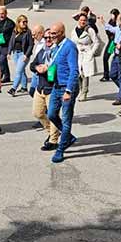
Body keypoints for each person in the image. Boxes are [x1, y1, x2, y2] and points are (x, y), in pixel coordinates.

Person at [44, 22, 79, 163]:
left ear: (62, 33)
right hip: (56, 87)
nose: (51, 36)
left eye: (54, 33)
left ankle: (61, 149)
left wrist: (69, 91)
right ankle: (68, 137)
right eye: (51, 33)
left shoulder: (70, 47)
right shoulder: (56, 47)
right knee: (51, 114)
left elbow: (74, 71)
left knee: (66, 119)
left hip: (67, 89)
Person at [29, 27, 61, 151]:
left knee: (52, 115)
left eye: (50, 37)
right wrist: (37, 68)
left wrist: (49, 68)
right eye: (46, 38)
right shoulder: (42, 51)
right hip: (40, 87)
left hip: (52, 89)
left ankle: (53, 140)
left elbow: (63, 68)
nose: (48, 39)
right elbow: (32, 64)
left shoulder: (58, 52)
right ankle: (52, 132)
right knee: (37, 113)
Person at [71, 13, 101, 102]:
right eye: (81, 20)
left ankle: (84, 91)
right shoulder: (74, 30)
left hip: (86, 53)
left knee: (85, 74)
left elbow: (97, 42)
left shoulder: (90, 30)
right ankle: (80, 90)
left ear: (86, 21)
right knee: (78, 73)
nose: (82, 22)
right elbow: (72, 41)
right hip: (77, 53)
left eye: (84, 20)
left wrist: (91, 52)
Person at [7, 15, 33, 96]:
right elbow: (11, 42)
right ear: (18, 22)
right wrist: (9, 52)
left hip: (23, 54)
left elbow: (31, 45)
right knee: (21, 71)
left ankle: (13, 89)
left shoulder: (28, 32)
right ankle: (24, 87)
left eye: (26, 22)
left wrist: (26, 55)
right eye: (23, 22)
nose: (25, 23)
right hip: (15, 53)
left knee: (18, 71)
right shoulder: (15, 31)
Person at [101, 8, 120, 85]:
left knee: (106, 57)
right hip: (111, 41)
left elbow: (112, 30)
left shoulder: (118, 22)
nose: (111, 16)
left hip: (113, 43)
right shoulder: (111, 21)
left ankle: (107, 75)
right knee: (106, 58)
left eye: (113, 14)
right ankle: (106, 74)